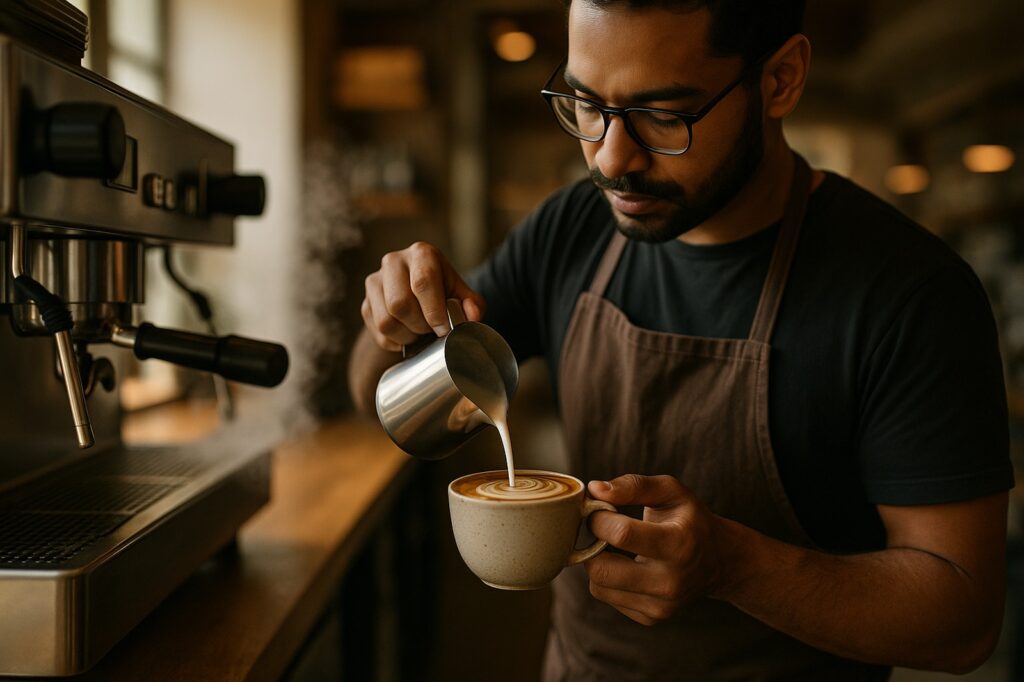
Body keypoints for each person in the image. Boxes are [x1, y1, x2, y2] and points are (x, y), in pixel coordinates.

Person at [348, 0, 1014, 679]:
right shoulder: (571, 230)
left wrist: (734, 567)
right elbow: (382, 403)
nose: (610, 158)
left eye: (664, 116)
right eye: (585, 103)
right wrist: (391, 324)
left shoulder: (908, 293)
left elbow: (961, 621)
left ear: (780, 79)